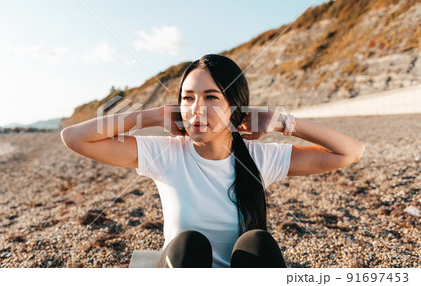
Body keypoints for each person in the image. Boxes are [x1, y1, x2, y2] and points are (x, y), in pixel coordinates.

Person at [60, 54, 365, 268]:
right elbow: (74, 137)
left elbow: (349, 152)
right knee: (188, 244)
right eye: (188, 98)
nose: (196, 109)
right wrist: (153, 115)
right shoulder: (166, 153)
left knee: (257, 243)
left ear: (235, 108)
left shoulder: (259, 158)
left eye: (211, 97)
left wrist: (282, 121)